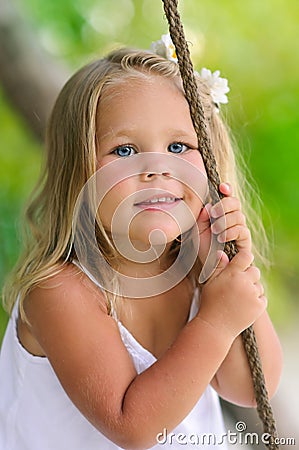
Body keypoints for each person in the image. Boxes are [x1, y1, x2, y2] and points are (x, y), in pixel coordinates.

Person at [0, 38, 282, 450]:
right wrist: (216, 321)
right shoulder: (60, 291)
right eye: (125, 150)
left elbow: (251, 389)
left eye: (178, 147)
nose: (157, 168)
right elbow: (133, 428)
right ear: (78, 173)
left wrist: (228, 273)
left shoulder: (195, 275)